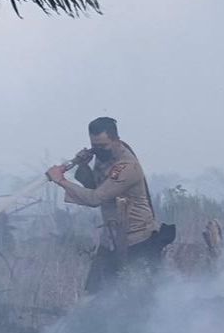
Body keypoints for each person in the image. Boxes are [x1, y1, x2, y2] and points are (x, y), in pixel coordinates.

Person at [46, 117, 171, 293]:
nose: (98, 151)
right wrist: (83, 166)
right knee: (95, 294)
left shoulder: (127, 166)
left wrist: (61, 180)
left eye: (103, 146)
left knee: (141, 297)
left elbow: (96, 198)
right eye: (94, 145)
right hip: (111, 238)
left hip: (137, 241)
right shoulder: (103, 157)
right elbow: (93, 187)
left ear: (116, 140)